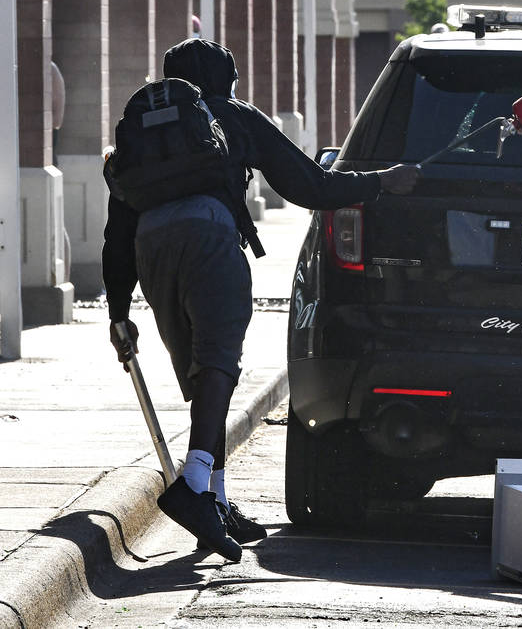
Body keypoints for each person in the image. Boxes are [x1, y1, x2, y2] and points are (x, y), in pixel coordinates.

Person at [103, 39, 420, 562]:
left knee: (201, 375)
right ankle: (195, 482)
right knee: (219, 364)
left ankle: (215, 503)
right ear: (224, 82)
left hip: (150, 247)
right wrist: (384, 182)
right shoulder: (231, 115)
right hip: (209, 236)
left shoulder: (141, 134)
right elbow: (310, 185)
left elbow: (119, 229)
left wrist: (118, 312)